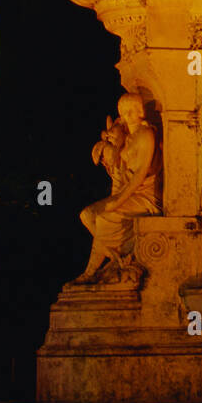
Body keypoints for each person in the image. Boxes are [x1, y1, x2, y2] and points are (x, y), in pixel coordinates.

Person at [69, 93, 161, 286]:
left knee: (103, 217)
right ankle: (117, 256)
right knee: (87, 215)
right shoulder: (128, 138)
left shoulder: (146, 135)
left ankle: (90, 272)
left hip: (144, 196)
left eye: (131, 111)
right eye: (123, 112)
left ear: (140, 112)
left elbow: (140, 174)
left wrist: (117, 201)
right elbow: (120, 175)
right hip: (129, 192)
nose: (127, 116)